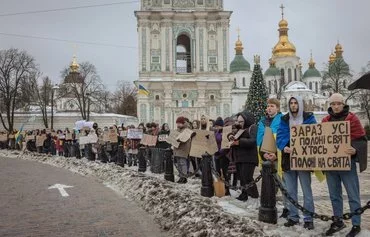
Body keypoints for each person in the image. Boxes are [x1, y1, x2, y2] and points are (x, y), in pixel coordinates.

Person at [322, 93, 368, 237]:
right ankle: (338, 220)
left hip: (347, 164)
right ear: (330, 105)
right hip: (331, 165)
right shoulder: (325, 120)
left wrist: (355, 149)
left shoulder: (352, 119)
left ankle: (356, 224)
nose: (336, 106)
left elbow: (361, 139)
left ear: (343, 104)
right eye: (333, 104)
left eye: (338, 103)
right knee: (334, 195)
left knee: (353, 195)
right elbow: (319, 141)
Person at [276, 96, 316, 230]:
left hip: (303, 159)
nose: (293, 106)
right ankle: (293, 217)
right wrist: (284, 146)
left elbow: (314, 135)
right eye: (291, 103)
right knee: (291, 190)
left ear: (300, 104)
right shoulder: (284, 119)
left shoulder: (309, 118)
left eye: (295, 103)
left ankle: (308, 218)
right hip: (288, 159)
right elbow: (280, 136)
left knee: (306, 191)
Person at [256, 98, 288, 218]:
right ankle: (269, 206)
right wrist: (263, 154)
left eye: (272, 106)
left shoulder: (283, 120)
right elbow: (259, 141)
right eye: (268, 106)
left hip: (278, 157)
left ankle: (287, 208)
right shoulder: (262, 122)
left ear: (278, 108)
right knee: (270, 185)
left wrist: (276, 155)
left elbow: (283, 138)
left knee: (283, 184)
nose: (269, 108)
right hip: (265, 157)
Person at [230, 109, 259, 201]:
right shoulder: (240, 130)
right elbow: (234, 138)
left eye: (241, 121)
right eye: (238, 121)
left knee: (247, 178)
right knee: (242, 178)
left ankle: (254, 196)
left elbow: (252, 141)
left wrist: (239, 142)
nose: (239, 123)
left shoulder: (253, 127)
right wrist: (232, 138)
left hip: (249, 158)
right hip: (240, 157)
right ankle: (244, 195)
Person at [173, 116, 192, 184]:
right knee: (179, 163)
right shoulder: (178, 130)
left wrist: (178, 139)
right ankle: (181, 176)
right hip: (177, 148)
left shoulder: (187, 130)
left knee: (182, 163)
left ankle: (184, 178)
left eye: (179, 123)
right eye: (177, 123)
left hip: (183, 148)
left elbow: (184, 139)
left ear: (183, 123)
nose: (178, 125)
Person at [214, 117, 230, 195]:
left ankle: (227, 189)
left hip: (224, 155)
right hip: (217, 155)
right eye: (216, 126)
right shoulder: (216, 133)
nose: (217, 127)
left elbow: (226, 144)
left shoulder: (225, 132)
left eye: (218, 126)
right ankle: (220, 189)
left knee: (225, 172)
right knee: (218, 173)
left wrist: (220, 152)